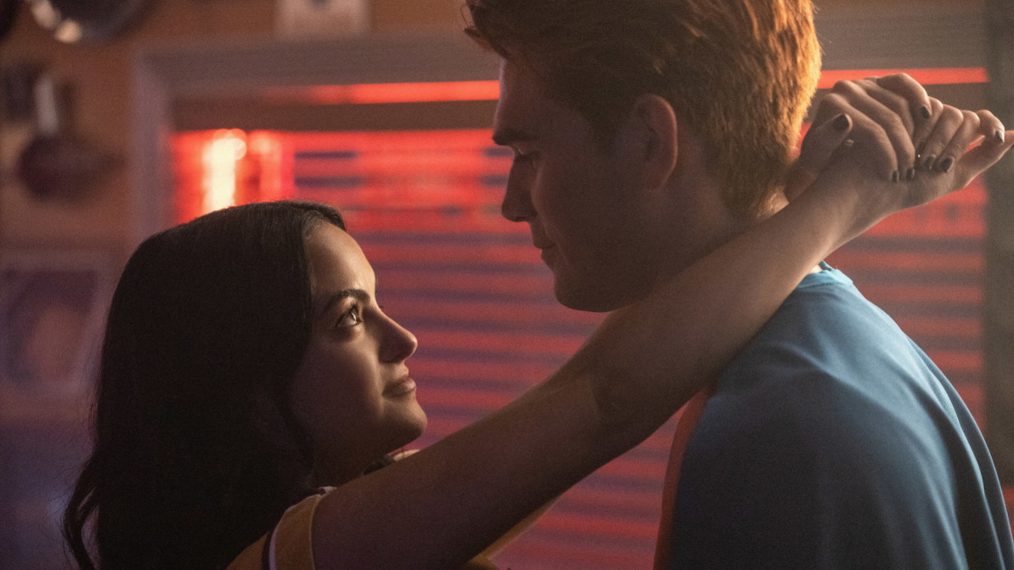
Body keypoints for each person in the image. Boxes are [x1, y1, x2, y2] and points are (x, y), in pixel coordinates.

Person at [464, 0, 1014, 568]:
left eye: (530, 154)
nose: (510, 205)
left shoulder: (783, 430)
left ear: (651, 142)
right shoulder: (834, 361)